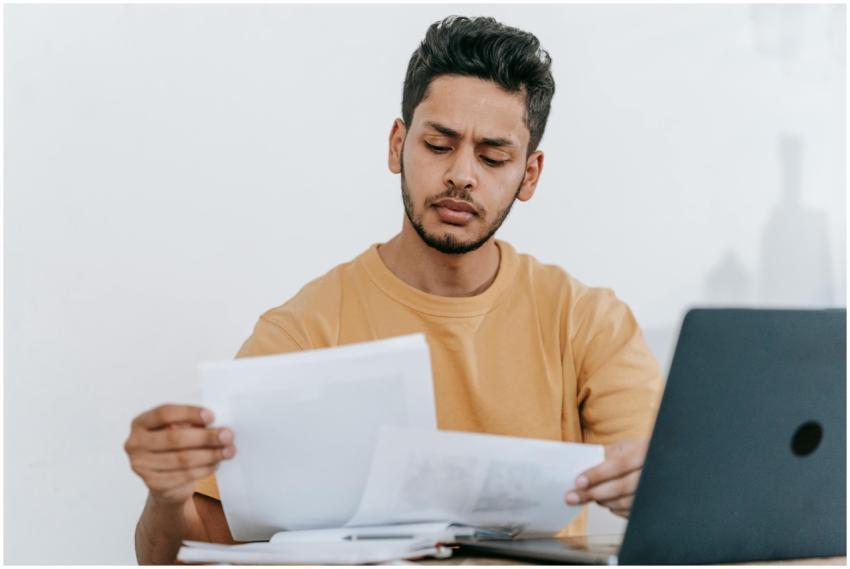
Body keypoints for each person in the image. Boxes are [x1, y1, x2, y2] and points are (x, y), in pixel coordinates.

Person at [124, 15, 662, 564]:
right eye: (438, 144)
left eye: (493, 156)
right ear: (397, 145)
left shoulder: (587, 321)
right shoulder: (307, 327)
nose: (462, 175)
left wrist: (652, 487)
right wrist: (164, 497)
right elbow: (177, 556)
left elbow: (670, 502)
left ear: (529, 174)